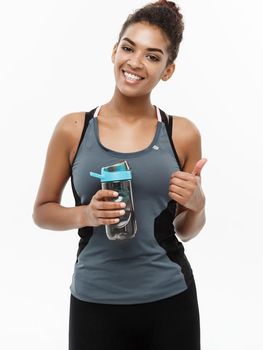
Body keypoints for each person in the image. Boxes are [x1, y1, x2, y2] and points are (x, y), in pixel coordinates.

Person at [32, 1, 205, 349]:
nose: (136, 63)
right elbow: (42, 211)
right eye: (128, 48)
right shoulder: (74, 129)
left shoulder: (181, 134)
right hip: (94, 301)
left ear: (167, 70)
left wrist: (197, 205)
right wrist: (86, 214)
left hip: (169, 299)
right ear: (114, 51)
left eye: (153, 57)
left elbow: (185, 231)